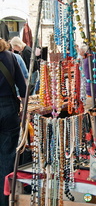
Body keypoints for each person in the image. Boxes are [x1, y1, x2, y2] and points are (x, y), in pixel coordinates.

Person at [0, 38, 26, 205]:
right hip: (8, 109)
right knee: (8, 157)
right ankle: (6, 199)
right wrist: (24, 113)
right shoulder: (11, 57)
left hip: (8, 108)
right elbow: (23, 88)